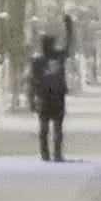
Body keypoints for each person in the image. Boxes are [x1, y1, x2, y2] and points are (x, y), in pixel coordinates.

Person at [30, 31, 70, 161]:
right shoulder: (59, 56)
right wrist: (69, 28)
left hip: (44, 96)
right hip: (57, 96)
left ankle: (45, 153)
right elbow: (69, 45)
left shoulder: (38, 60)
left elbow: (33, 80)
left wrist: (32, 98)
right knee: (57, 127)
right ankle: (56, 153)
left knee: (44, 127)